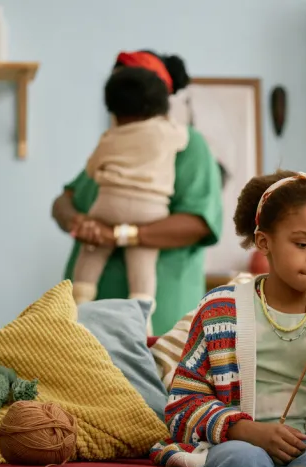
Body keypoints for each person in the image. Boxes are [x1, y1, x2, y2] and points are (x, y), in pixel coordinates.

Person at [149, 170, 306, 467]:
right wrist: (245, 431)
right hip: (237, 446)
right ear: (263, 242)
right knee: (246, 460)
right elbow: (183, 406)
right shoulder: (220, 311)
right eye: (302, 243)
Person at [52, 50, 222, 336]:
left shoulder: (188, 145)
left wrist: (119, 235)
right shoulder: (115, 143)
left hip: (160, 324)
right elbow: (64, 201)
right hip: (86, 326)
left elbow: (198, 223)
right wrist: (76, 222)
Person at [71, 64, 189, 316]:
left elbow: (92, 169)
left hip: (109, 203)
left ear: (113, 108)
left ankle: (79, 303)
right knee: (144, 260)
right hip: (151, 208)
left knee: (92, 247)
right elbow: (184, 137)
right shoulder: (167, 132)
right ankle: (142, 314)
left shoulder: (110, 137)